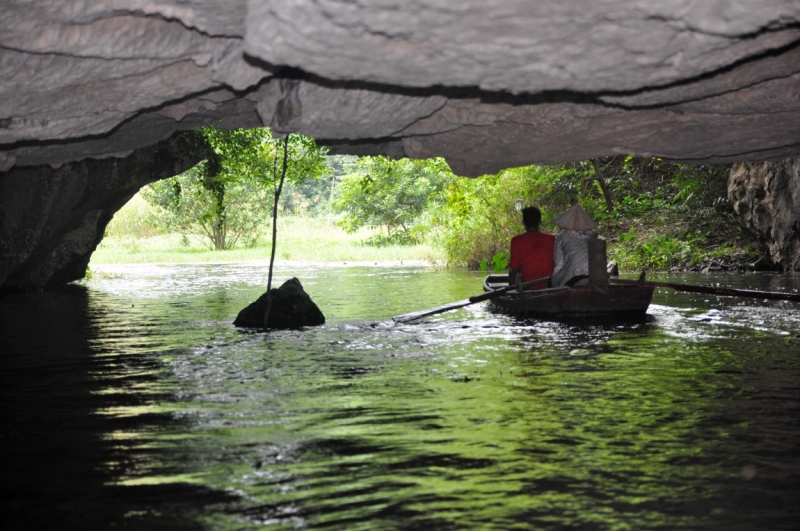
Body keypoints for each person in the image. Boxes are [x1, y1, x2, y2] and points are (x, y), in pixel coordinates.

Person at [551, 204, 598, 287]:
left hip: (572, 277)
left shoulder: (562, 237)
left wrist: (555, 279)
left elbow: (558, 262)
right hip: (595, 276)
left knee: (552, 281)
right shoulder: (593, 237)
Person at [509, 206, 554, 290]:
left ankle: (513, 293)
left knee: (514, 272)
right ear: (540, 222)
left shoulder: (516, 241)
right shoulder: (552, 239)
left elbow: (514, 268)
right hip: (549, 284)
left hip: (528, 285)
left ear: (523, 222)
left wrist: (511, 289)